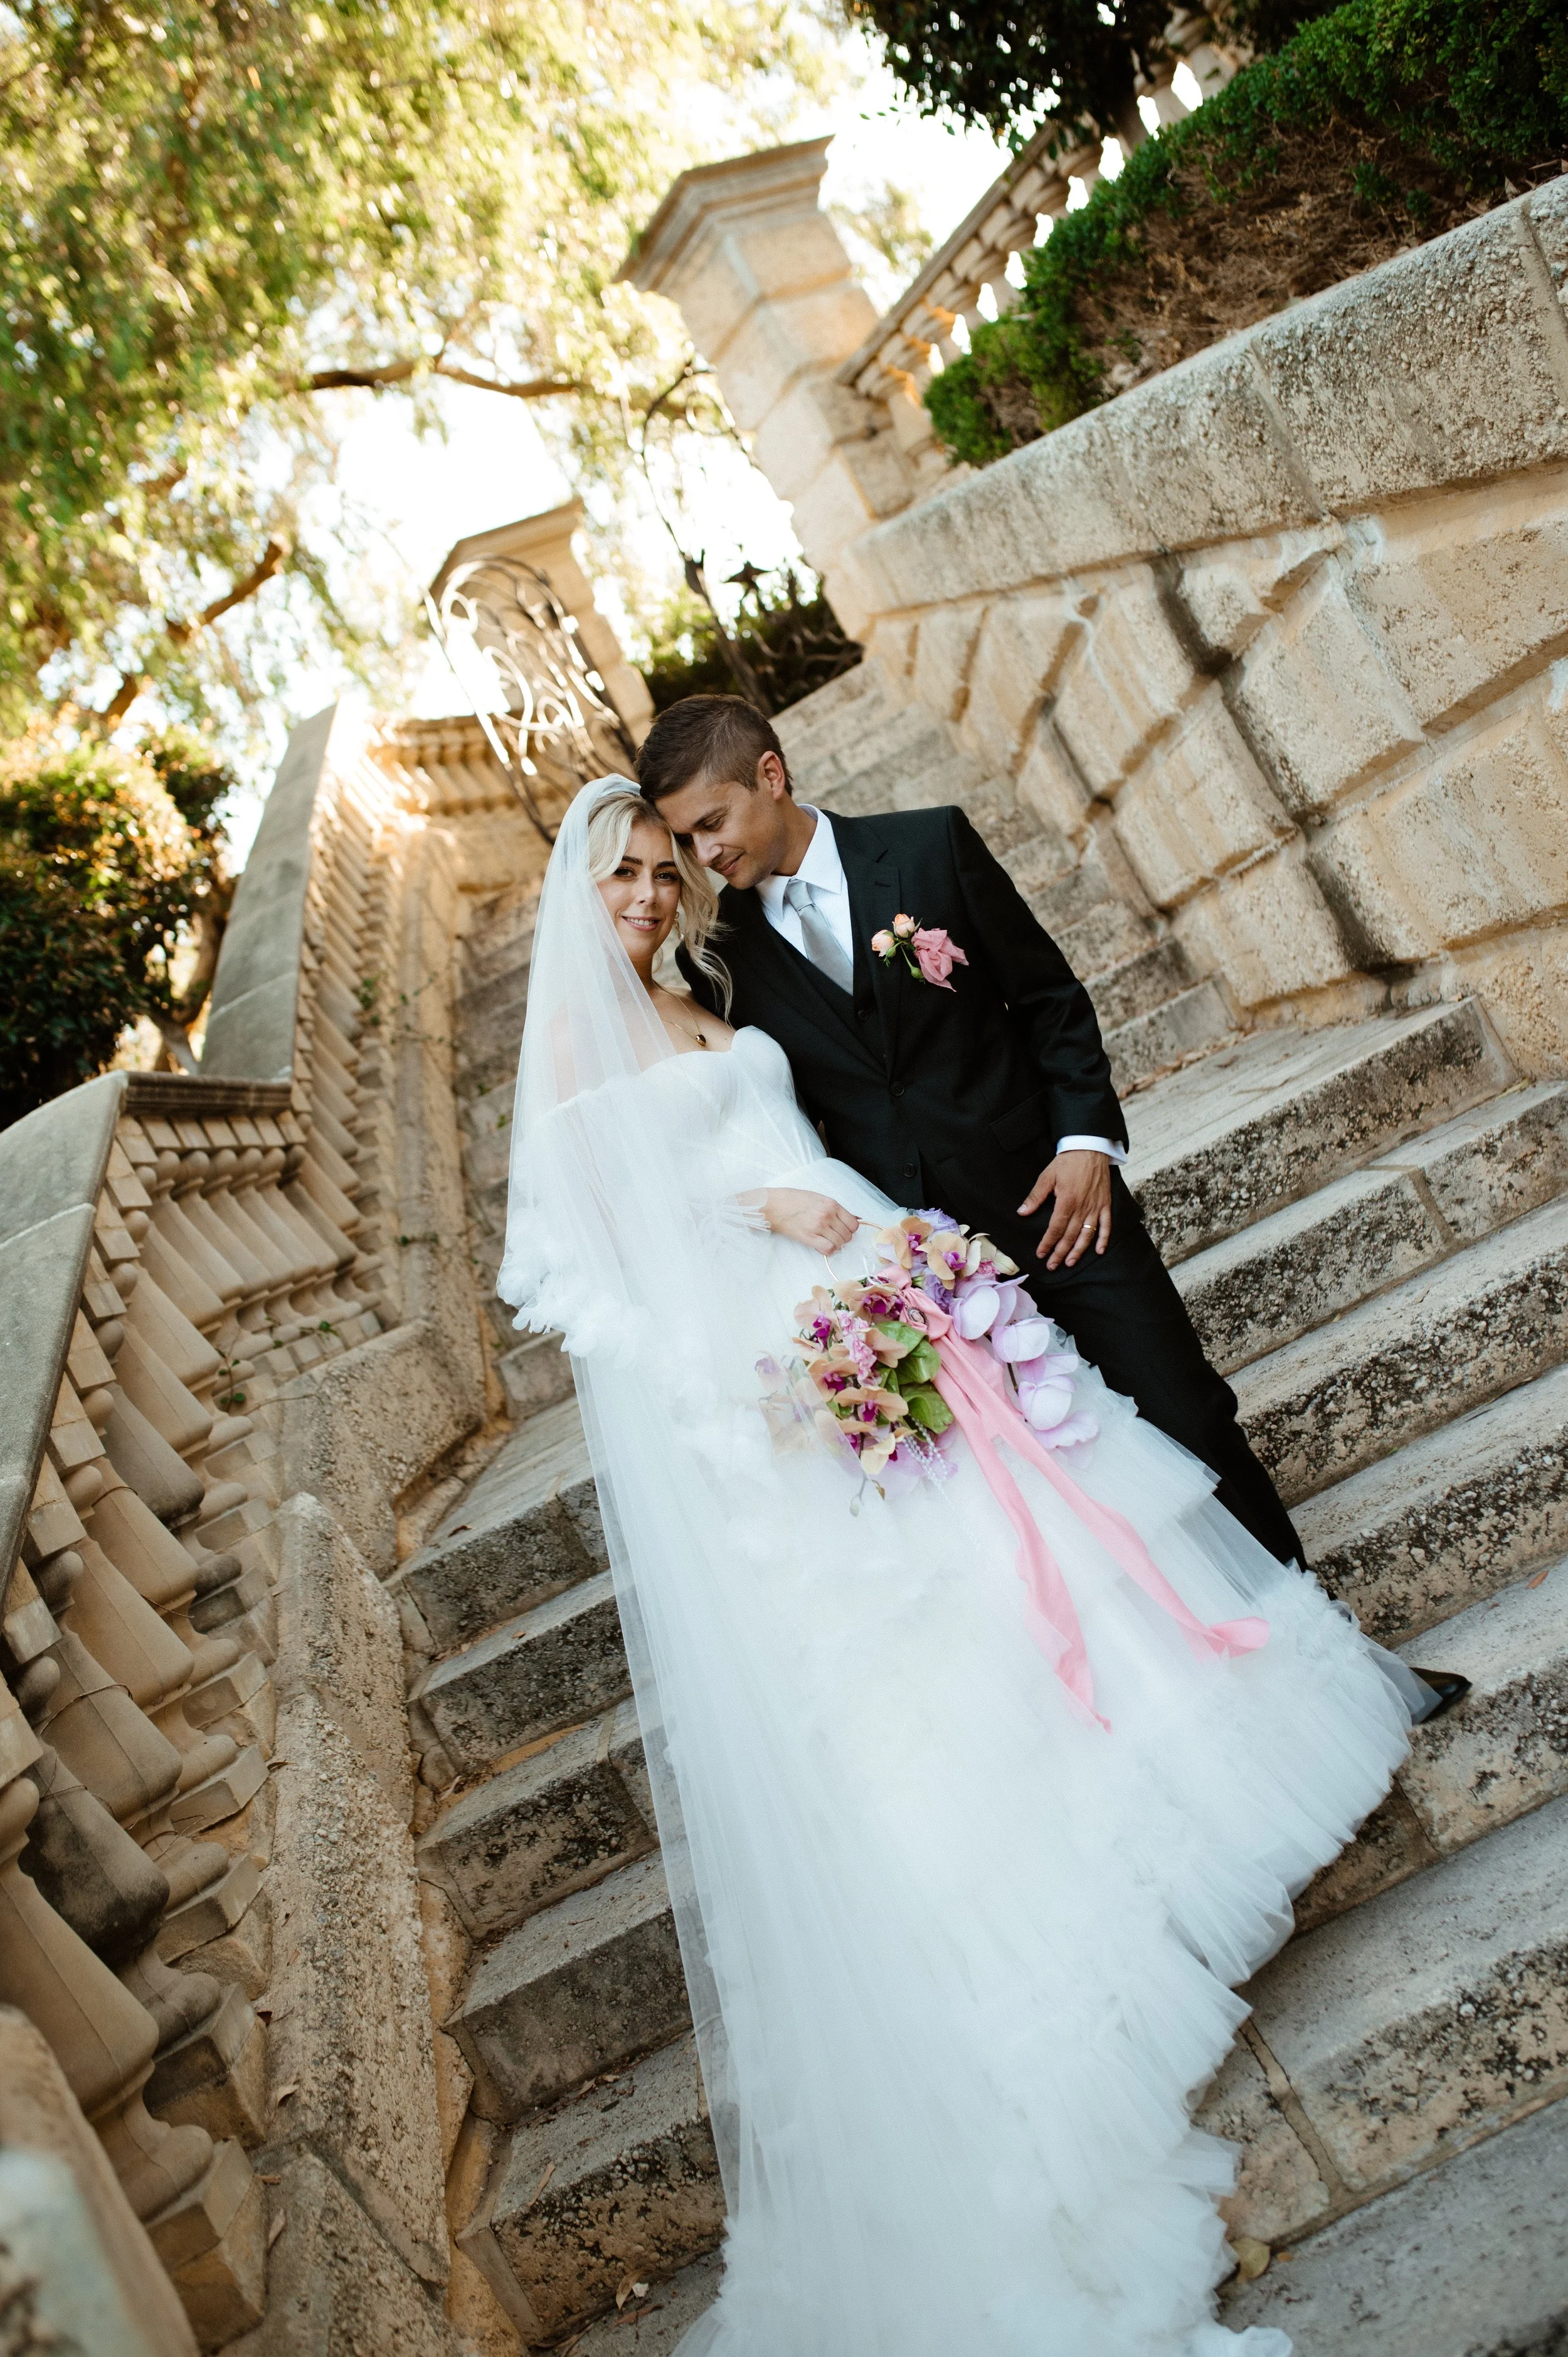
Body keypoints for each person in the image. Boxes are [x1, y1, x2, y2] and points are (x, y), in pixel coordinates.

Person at [497, 775, 1436, 2357]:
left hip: (894, 1294)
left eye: (669, 867)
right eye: (626, 878)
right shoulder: (578, 1058)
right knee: (936, 1647)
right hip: (785, 1382)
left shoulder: (719, 990)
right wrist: (765, 1332)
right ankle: (1060, 1966)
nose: (656, 895)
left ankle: (1196, 1785)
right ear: (574, 896)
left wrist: (880, 1253)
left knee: (1053, 1543)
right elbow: (603, 1270)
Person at [636, 692, 1466, 1719]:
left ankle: (1346, 1683)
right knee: (1071, 1501)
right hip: (927, 1279)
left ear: (770, 775)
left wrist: (1086, 1146)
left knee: (1187, 1416)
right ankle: (1224, 1720)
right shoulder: (723, 968)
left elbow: (1050, 1001)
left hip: (1062, 1213)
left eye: (710, 822)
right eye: (683, 837)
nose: (703, 852)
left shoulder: (929, 849)